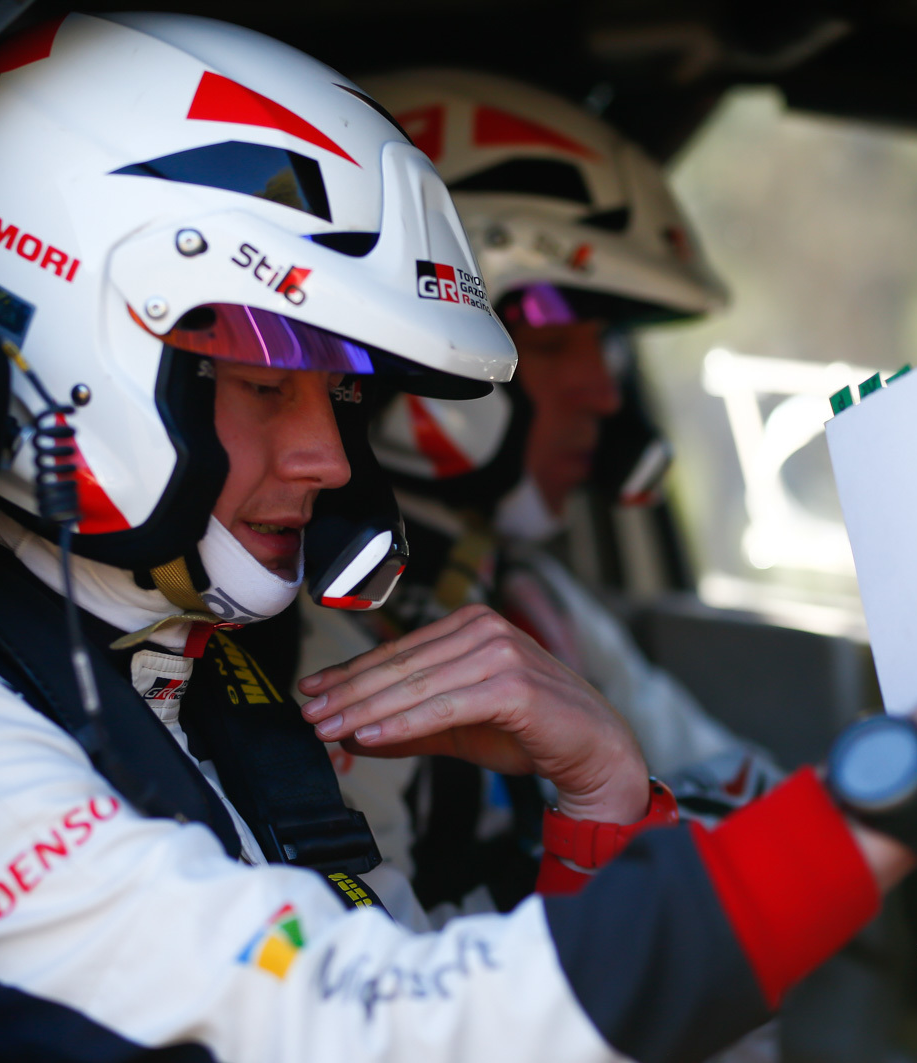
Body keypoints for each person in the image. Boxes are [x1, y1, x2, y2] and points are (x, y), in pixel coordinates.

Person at [0, 12, 917, 1062]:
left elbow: (478, 1002)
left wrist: (603, 803)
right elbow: (383, 1025)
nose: (328, 458)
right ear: (59, 359)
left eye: (340, 397)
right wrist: (912, 773)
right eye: (266, 385)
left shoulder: (216, 678)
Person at [294, 71, 783, 923]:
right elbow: (388, 977)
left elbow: (752, 795)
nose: (603, 392)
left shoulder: (526, 593)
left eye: (604, 346)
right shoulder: (313, 634)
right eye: (555, 344)